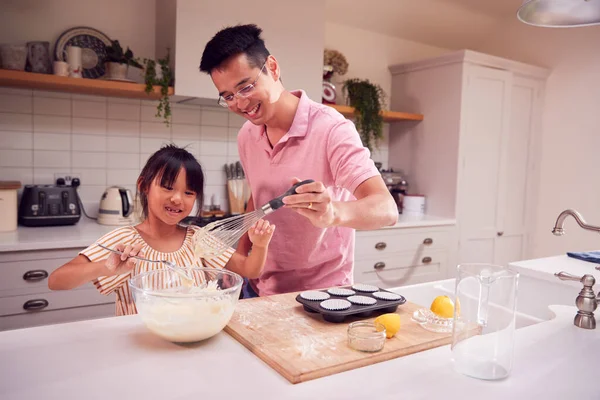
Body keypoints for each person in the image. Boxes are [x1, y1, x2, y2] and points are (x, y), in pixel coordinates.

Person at [199, 24, 398, 298]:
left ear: (272, 67)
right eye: (228, 97)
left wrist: (333, 213)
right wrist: (240, 259)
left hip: (323, 295)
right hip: (260, 290)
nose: (240, 104)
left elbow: (387, 209)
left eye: (245, 87)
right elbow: (257, 200)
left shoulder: (331, 130)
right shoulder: (247, 135)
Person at [48, 144, 275, 315]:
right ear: (144, 185)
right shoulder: (124, 240)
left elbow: (249, 269)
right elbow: (57, 281)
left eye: (188, 193)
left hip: (189, 338)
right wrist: (106, 267)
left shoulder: (198, 240)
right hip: (139, 345)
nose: (177, 199)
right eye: (167, 188)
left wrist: (260, 245)